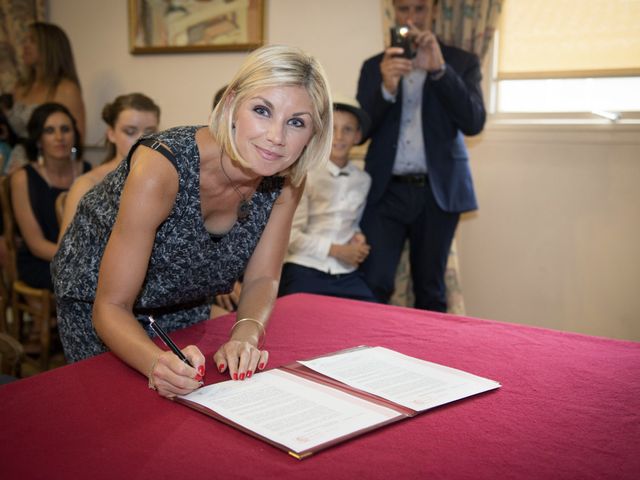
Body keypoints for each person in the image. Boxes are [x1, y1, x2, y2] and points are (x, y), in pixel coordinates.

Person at [52, 44, 333, 399]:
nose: (276, 137)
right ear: (231, 103)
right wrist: (156, 363)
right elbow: (110, 306)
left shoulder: (287, 177)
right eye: (262, 110)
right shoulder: (161, 167)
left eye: (296, 122)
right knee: (120, 415)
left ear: (313, 133)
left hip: (184, 299)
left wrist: (245, 334)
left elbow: (263, 276)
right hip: (98, 306)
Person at [356, 0, 486, 312]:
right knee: (374, 282)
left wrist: (441, 71)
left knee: (431, 289)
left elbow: (474, 122)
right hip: (385, 192)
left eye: (419, 9)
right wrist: (386, 88)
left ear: (434, 12)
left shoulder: (460, 61)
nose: (411, 18)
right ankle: (365, 357)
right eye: (403, 10)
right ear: (393, 13)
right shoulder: (375, 65)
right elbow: (358, 131)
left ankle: (428, 360)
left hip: (438, 192)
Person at [278, 94, 375, 302]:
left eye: (347, 129)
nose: (339, 136)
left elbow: (353, 222)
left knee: (372, 320)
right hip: (305, 267)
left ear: (357, 136)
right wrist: (337, 250)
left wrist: (357, 236)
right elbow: (291, 236)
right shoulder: (305, 174)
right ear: (322, 133)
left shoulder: (363, 180)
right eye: (333, 129)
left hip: (345, 273)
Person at [10, 102, 90, 291]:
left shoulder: (87, 172)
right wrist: (79, 262)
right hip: (40, 261)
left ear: (74, 135)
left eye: (65, 129)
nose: (59, 137)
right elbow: (35, 244)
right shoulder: (22, 178)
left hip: (81, 262)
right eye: (49, 130)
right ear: (38, 140)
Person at [59, 93, 161, 238]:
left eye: (150, 132)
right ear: (111, 134)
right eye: (130, 132)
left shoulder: (164, 179)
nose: (142, 139)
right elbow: (65, 253)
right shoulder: (87, 185)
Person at [4, 22, 85, 173]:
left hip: (49, 168)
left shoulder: (66, 89)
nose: (25, 46)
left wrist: (73, 172)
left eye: (32, 41)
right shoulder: (20, 87)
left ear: (49, 47)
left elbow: (77, 140)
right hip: (14, 163)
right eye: (24, 41)